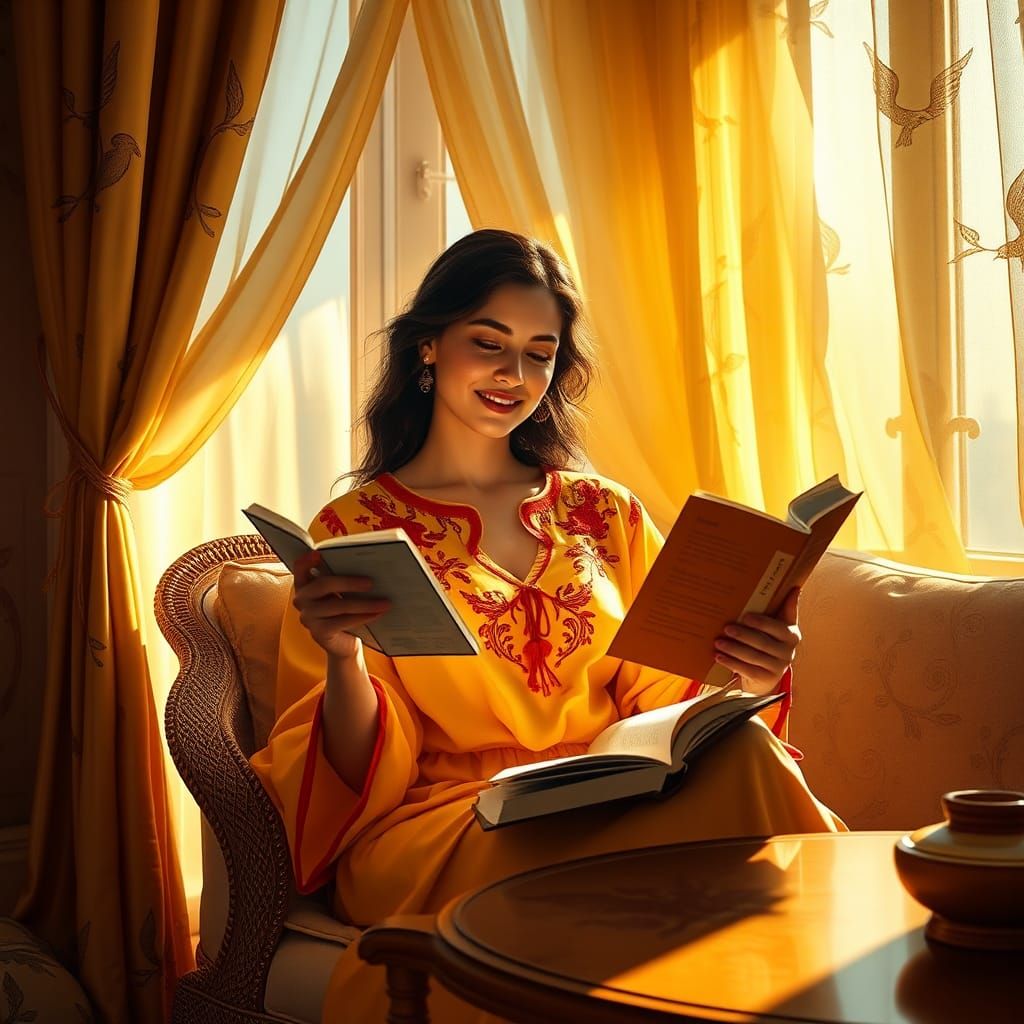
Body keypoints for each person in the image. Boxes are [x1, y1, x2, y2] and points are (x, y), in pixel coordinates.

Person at [250, 229, 844, 1023]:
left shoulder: (605, 512)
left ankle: (833, 982)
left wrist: (752, 676)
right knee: (640, 858)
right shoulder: (354, 528)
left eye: (539, 352)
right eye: (487, 344)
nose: (514, 374)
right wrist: (343, 656)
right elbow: (350, 767)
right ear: (428, 348)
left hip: (610, 792)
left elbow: (663, 696)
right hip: (447, 823)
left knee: (750, 754)